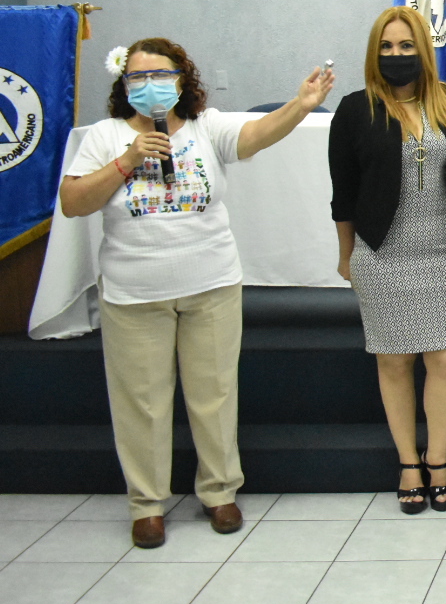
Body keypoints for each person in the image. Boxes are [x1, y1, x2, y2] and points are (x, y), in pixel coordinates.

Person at [59, 38, 333, 549]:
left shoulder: (206, 126)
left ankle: (219, 492)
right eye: (138, 77)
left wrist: (300, 106)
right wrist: (127, 161)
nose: (149, 85)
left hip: (210, 286)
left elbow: (254, 137)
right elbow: (73, 202)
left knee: (214, 395)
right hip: (134, 295)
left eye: (160, 75)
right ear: (124, 85)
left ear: (182, 79)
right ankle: (147, 504)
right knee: (142, 404)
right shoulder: (105, 135)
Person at [328, 7, 446, 513]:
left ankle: (439, 460)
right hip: (381, 254)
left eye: (406, 46)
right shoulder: (355, 110)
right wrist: (347, 257)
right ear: (374, 53)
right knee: (394, 361)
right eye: (387, 47)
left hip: (444, 253)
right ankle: (408, 462)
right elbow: (343, 194)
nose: (396, 55)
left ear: (423, 51)